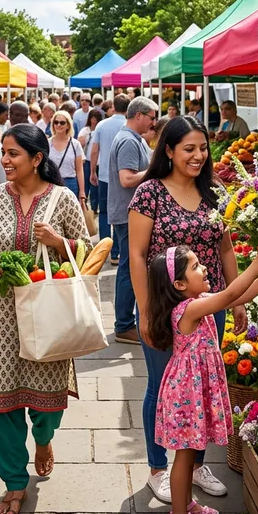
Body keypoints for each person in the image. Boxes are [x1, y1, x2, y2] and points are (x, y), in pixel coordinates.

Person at [0, 125, 91, 514]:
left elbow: (88, 254)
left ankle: (45, 439)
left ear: (37, 159)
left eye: (14, 154)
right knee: (0, 407)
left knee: (47, 406)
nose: (5, 160)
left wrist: (58, 243)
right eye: (4, 153)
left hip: (50, 317)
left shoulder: (64, 199)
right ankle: (14, 483)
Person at [129, 116, 246, 503]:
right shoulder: (149, 192)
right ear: (168, 151)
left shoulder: (214, 189)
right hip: (165, 310)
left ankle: (194, 465)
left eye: (202, 148)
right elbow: (137, 253)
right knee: (163, 387)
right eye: (188, 149)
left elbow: (225, 247)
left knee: (200, 388)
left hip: (209, 307)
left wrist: (236, 297)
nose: (198, 156)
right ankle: (158, 468)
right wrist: (145, 312)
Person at [147, 241, 258, 514]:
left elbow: (241, 295)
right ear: (179, 284)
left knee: (193, 448)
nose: (205, 267)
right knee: (185, 454)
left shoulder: (197, 301)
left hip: (193, 388)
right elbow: (233, 293)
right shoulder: (190, 308)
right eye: (196, 266)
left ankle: (187, 503)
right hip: (187, 391)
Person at [108, 97, 159, 344]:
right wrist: (156, 168)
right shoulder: (128, 140)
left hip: (129, 213)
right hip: (129, 214)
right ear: (138, 115)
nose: (153, 122)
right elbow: (127, 179)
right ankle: (125, 324)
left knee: (129, 266)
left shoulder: (133, 138)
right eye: (151, 117)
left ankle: (126, 323)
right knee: (130, 268)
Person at [90, 94, 129, 264]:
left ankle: (104, 251)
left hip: (105, 175)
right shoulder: (128, 126)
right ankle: (117, 251)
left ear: (113, 106)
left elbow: (94, 150)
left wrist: (93, 171)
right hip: (124, 175)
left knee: (105, 213)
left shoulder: (101, 125)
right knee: (123, 214)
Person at [48, 110, 85, 200]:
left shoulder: (75, 144)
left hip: (70, 184)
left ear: (68, 125)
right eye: (56, 122)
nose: (58, 125)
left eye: (62, 123)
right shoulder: (47, 143)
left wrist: (82, 192)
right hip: (51, 184)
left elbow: (79, 170)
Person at [79, 108, 103, 213]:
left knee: (95, 187)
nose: (94, 120)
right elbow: (80, 144)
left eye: (96, 118)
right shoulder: (85, 130)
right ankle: (84, 206)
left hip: (99, 162)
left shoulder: (101, 129)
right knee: (86, 184)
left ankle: (94, 208)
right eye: (92, 118)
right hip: (88, 161)